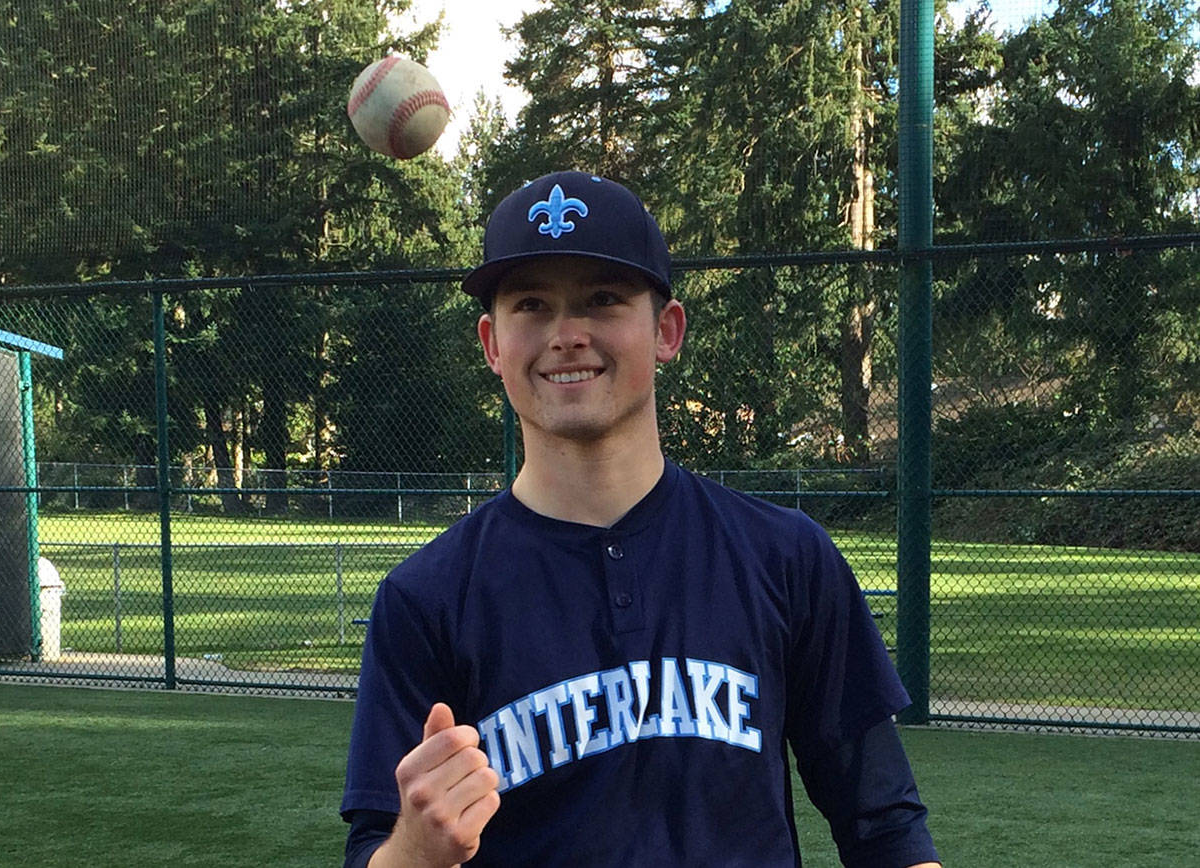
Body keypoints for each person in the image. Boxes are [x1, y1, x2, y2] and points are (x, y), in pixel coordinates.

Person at [340, 170, 941, 868]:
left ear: (667, 329)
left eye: (602, 300)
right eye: (532, 305)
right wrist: (415, 849)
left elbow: (885, 826)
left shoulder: (785, 559)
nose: (567, 334)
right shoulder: (426, 599)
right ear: (492, 344)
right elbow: (371, 852)